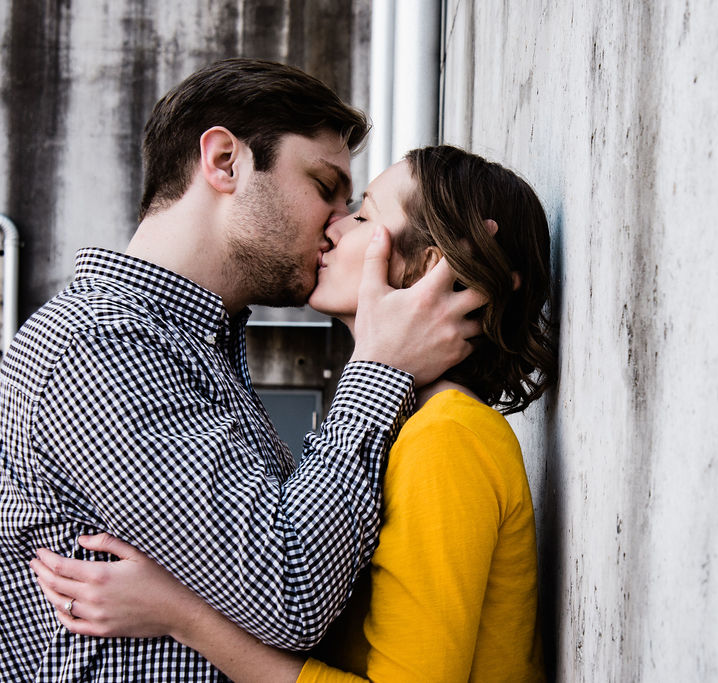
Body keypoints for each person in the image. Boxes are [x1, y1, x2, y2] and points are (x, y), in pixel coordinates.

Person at [0, 60, 485, 682]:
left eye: (353, 206)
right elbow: (291, 587)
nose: (340, 224)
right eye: (324, 186)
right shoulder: (97, 345)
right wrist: (379, 368)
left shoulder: (192, 345)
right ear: (225, 160)